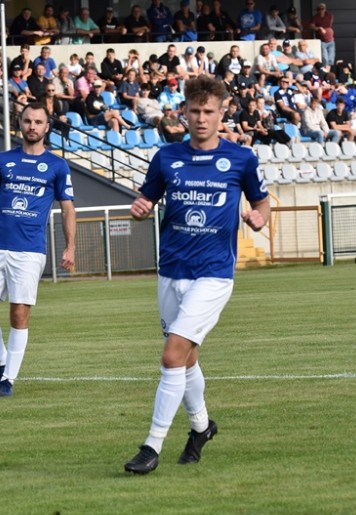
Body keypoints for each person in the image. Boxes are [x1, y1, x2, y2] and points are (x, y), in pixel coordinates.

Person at [124, 76, 269, 475]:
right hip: (171, 270)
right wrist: (139, 210)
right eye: (195, 111)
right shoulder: (166, 157)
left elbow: (261, 202)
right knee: (186, 359)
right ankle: (202, 427)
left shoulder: (241, 159)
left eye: (209, 111)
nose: (201, 118)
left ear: (222, 113)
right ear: (184, 113)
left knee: (172, 355)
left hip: (213, 275)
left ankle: (151, 446)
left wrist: (260, 218)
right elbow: (146, 199)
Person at [0, 103, 75, 398]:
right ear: (19, 123)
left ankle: (8, 379)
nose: (32, 126)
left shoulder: (57, 166)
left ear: (47, 127)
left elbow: (68, 209)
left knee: (19, 315)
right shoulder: (3, 160)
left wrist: (70, 246)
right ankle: (3, 361)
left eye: (38, 122)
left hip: (29, 251)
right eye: (27, 121)